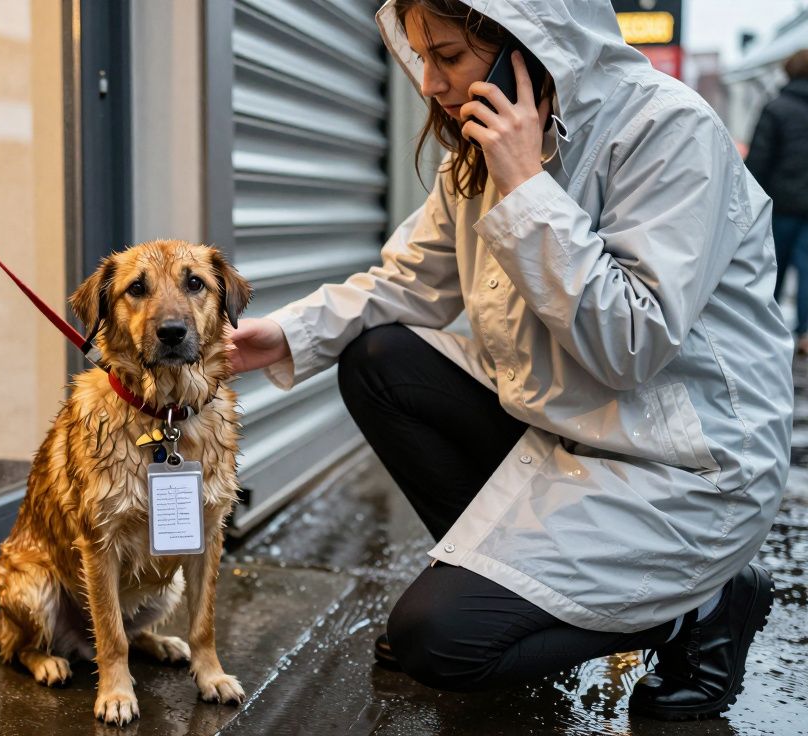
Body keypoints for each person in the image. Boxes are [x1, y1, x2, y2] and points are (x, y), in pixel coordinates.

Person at [228, 0, 791, 721]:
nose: (430, 83)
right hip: (568, 429)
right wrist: (283, 334)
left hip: (681, 462)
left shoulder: (668, 129)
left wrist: (527, 187)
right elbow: (408, 283)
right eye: (422, 57)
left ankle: (701, 608)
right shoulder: (481, 147)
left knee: (440, 644)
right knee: (380, 359)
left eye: (449, 57)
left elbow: (632, 343)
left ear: (528, 44)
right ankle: (500, 589)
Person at [745, 49, 808, 355]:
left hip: (781, 206)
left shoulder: (776, 109)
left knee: (772, 268)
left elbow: (758, 161)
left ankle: (767, 332)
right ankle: (806, 332)